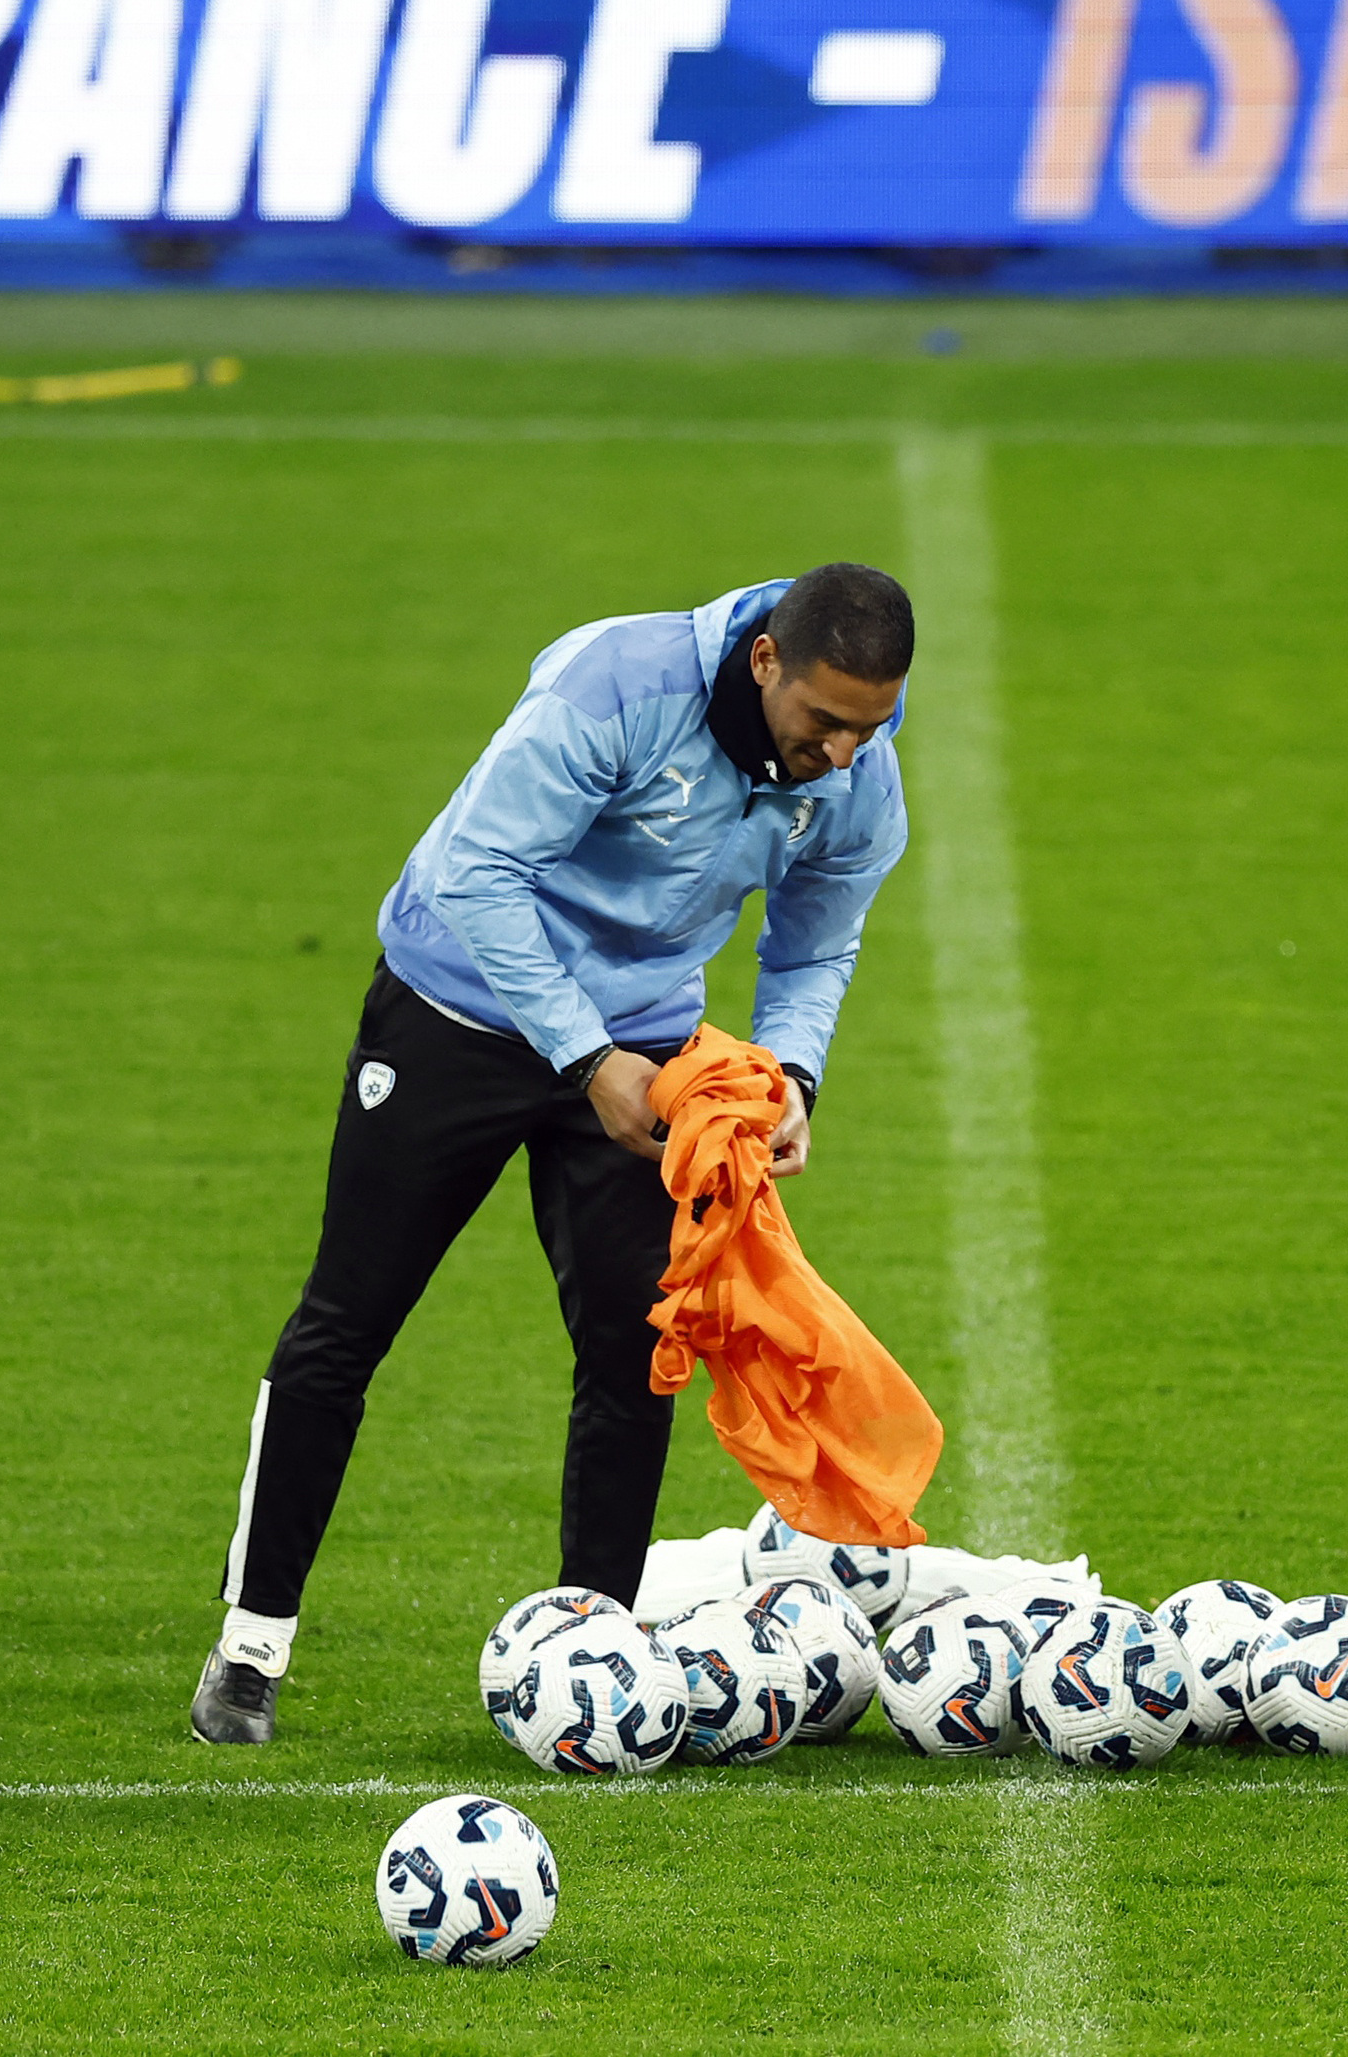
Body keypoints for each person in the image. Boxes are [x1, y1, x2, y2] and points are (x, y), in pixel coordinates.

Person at [191, 563, 914, 1744]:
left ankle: (600, 1654)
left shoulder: (857, 775)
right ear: (765, 662)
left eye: (870, 727)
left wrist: (788, 1076)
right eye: (825, 722)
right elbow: (480, 873)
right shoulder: (612, 685)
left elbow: (813, 949)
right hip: (454, 1014)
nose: (843, 754)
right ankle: (249, 1647)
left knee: (639, 1349)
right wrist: (586, 1060)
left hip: (640, 1040)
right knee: (348, 1320)